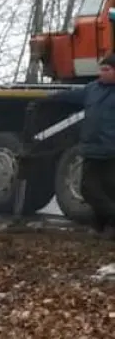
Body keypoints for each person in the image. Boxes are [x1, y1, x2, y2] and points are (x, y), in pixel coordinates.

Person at [44, 53, 115, 235]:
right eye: (101, 69)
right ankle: (100, 226)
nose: (102, 73)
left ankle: (105, 225)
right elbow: (72, 96)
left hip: (110, 149)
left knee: (104, 189)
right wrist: (50, 96)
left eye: (107, 70)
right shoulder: (92, 88)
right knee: (89, 189)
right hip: (92, 148)